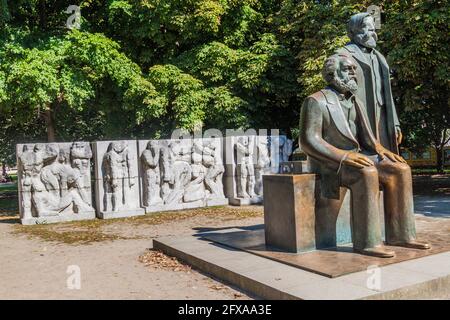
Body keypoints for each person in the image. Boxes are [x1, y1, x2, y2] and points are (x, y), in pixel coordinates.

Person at [299, 53, 430, 258]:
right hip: (329, 163)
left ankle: (401, 235)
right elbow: (308, 140)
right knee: (367, 173)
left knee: (400, 170)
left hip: (356, 158)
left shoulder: (355, 101)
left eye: (354, 69)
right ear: (333, 73)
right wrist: (342, 156)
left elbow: (367, 138)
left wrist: (382, 150)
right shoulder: (315, 101)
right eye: (348, 69)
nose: (353, 73)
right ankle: (367, 242)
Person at [336, 13, 401, 154]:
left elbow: (388, 95)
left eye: (374, 28)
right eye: (367, 27)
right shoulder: (342, 55)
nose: (373, 32)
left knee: (387, 159)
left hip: (382, 116)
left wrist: (394, 122)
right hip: (359, 117)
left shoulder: (379, 57)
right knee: (367, 159)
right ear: (353, 31)